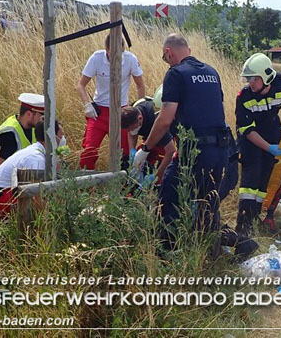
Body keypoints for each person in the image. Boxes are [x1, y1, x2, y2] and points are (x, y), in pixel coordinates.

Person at [134, 34, 231, 252]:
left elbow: (165, 118)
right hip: (221, 149)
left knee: (169, 194)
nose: (166, 61)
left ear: (169, 52)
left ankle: (167, 251)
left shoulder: (175, 74)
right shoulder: (212, 72)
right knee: (208, 203)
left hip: (196, 150)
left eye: (165, 57)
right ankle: (210, 252)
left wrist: (146, 148)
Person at [235, 53, 281, 235]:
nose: (250, 82)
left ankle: (255, 216)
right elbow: (246, 129)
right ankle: (244, 223)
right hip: (251, 138)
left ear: (267, 76)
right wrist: (268, 148)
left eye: (254, 79)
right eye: (248, 79)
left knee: (265, 178)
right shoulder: (244, 96)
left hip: (272, 132)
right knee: (251, 179)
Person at [77, 33, 145, 170]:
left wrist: (139, 108)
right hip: (99, 113)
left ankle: (126, 188)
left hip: (121, 112)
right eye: (112, 54)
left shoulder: (130, 59)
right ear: (106, 49)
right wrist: (87, 104)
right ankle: (87, 188)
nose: (116, 58)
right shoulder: (97, 58)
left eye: (119, 54)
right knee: (88, 153)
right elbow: (80, 85)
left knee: (126, 154)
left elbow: (140, 85)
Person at [0, 118, 65, 219]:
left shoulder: (37, 152)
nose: (63, 139)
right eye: (61, 135)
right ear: (51, 137)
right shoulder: (35, 158)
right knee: (37, 202)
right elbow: (37, 197)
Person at [0, 93, 45, 179]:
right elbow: (0, 171)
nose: (43, 119)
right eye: (41, 115)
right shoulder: (9, 135)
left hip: (16, 176)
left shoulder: (32, 127)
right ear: (29, 114)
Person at [121, 99, 176, 185]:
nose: (130, 131)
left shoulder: (157, 122)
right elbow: (132, 132)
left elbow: (171, 150)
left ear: (140, 118)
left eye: (132, 128)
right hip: (149, 141)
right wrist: (132, 150)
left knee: (165, 175)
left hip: (169, 140)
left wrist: (156, 176)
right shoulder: (133, 110)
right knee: (139, 160)